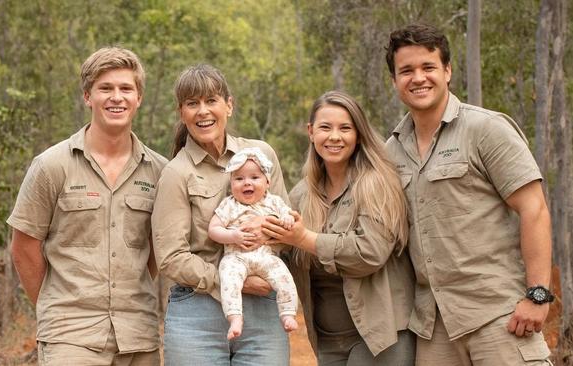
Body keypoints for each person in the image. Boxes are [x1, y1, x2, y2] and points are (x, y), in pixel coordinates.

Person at [384, 23, 554, 365]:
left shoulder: (486, 129)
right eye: (406, 71)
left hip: (498, 316)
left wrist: (538, 295)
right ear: (395, 81)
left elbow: (533, 208)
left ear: (447, 71)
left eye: (428, 67)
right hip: (434, 329)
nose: (418, 78)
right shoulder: (391, 151)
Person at [8, 47, 167, 365]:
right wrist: (57, 307)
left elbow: (154, 251)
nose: (116, 97)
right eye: (105, 88)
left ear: (139, 98)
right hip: (71, 338)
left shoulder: (159, 171)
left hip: (138, 337)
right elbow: (24, 247)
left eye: (126, 88)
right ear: (87, 96)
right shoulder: (52, 165)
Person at [262, 90, 416, 365]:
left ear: (358, 134)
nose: (335, 136)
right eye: (325, 127)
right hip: (327, 340)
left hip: (378, 338)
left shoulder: (376, 184)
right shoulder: (301, 195)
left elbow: (370, 252)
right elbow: (284, 257)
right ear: (310, 132)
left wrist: (304, 238)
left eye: (345, 128)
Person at [151, 64, 290, 365]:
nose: (203, 111)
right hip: (197, 314)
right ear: (181, 112)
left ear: (229, 104)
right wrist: (232, 281)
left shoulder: (261, 155)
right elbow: (170, 256)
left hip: (264, 309)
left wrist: (266, 238)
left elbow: (287, 226)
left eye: (211, 100)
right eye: (192, 103)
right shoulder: (176, 173)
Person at [208, 147, 299, 340]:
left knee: (284, 278)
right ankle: (235, 317)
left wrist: (288, 219)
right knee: (228, 279)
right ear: (231, 183)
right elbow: (213, 229)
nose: (246, 182)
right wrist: (232, 236)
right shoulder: (229, 204)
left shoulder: (274, 202)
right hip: (236, 257)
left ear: (267, 182)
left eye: (254, 178)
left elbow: (288, 216)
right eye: (239, 178)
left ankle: (288, 313)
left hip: (266, 257)